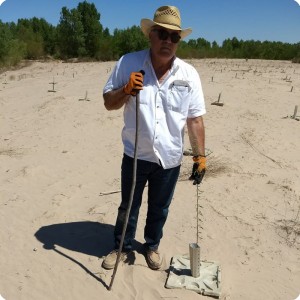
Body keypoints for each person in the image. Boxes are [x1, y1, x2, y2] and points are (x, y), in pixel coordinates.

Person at [102, 5, 206, 270]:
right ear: (150, 35)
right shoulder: (128, 63)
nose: (168, 41)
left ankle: (151, 246)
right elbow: (108, 102)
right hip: (136, 154)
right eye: (162, 34)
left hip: (169, 158)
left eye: (174, 37)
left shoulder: (189, 74)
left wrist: (200, 156)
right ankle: (121, 247)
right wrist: (126, 89)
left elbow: (194, 119)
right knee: (129, 206)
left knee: (159, 208)